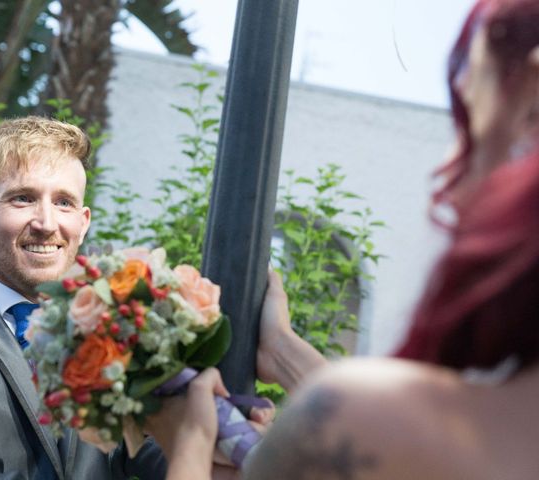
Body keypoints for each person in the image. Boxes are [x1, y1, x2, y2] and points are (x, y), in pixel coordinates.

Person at [150, 0, 539, 478]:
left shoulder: (376, 425)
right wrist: (284, 353)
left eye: (467, 121)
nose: (447, 168)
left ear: (531, 109)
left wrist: (188, 441)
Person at [0, 116, 167, 479]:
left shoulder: (114, 338)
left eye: (64, 202)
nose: (46, 222)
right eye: (23, 198)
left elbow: (172, 460)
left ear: (83, 223)